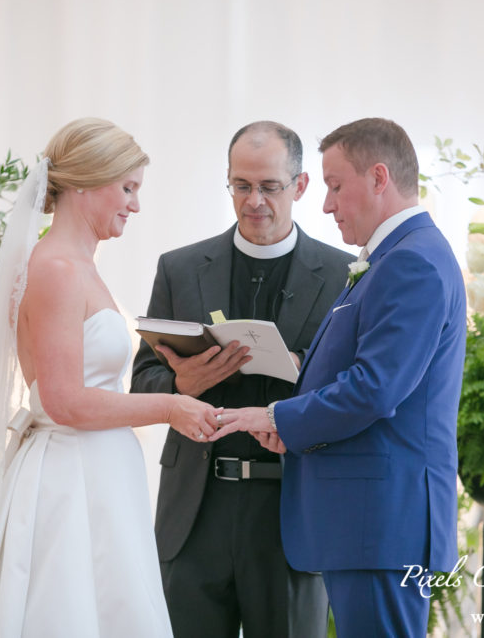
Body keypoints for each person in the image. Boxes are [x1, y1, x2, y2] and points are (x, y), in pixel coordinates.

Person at [0, 118, 217, 638]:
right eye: (127, 188)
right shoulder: (57, 267)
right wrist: (170, 407)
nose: (135, 204)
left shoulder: (77, 264)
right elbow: (62, 400)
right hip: (70, 480)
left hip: (99, 474)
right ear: (84, 183)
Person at [213, 117, 467, 636]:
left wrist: (278, 417)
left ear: (378, 178)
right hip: (369, 522)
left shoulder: (412, 262)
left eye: (334, 185)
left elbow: (375, 389)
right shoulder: (397, 257)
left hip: (379, 523)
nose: (326, 204)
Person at [130, 121, 353, 638]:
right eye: (241, 185)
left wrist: (303, 369)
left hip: (291, 510)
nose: (254, 201)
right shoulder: (180, 268)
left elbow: (357, 389)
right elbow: (142, 382)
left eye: (269, 187)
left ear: (299, 187)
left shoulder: (346, 273)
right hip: (195, 509)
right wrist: (181, 385)